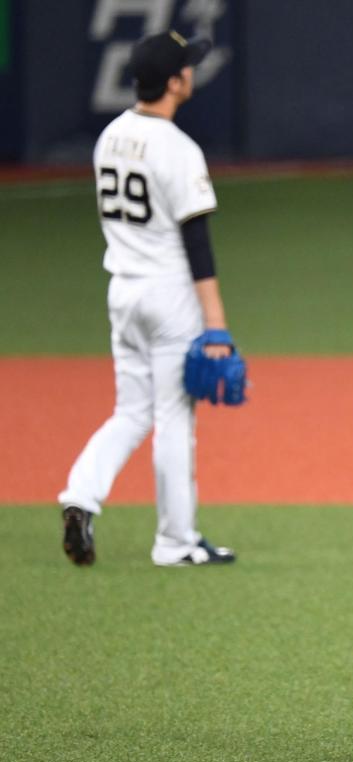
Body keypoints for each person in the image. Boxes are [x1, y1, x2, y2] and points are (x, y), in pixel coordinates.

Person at [59, 31, 237, 567]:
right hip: (168, 297)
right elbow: (196, 243)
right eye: (188, 66)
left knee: (131, 412)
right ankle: (176, 542)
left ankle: (80, 494)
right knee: (174, 419)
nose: (192, 72)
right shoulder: (178, 149)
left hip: (122, 291)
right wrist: (216, 324)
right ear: (176, 82)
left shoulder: (110, 136)